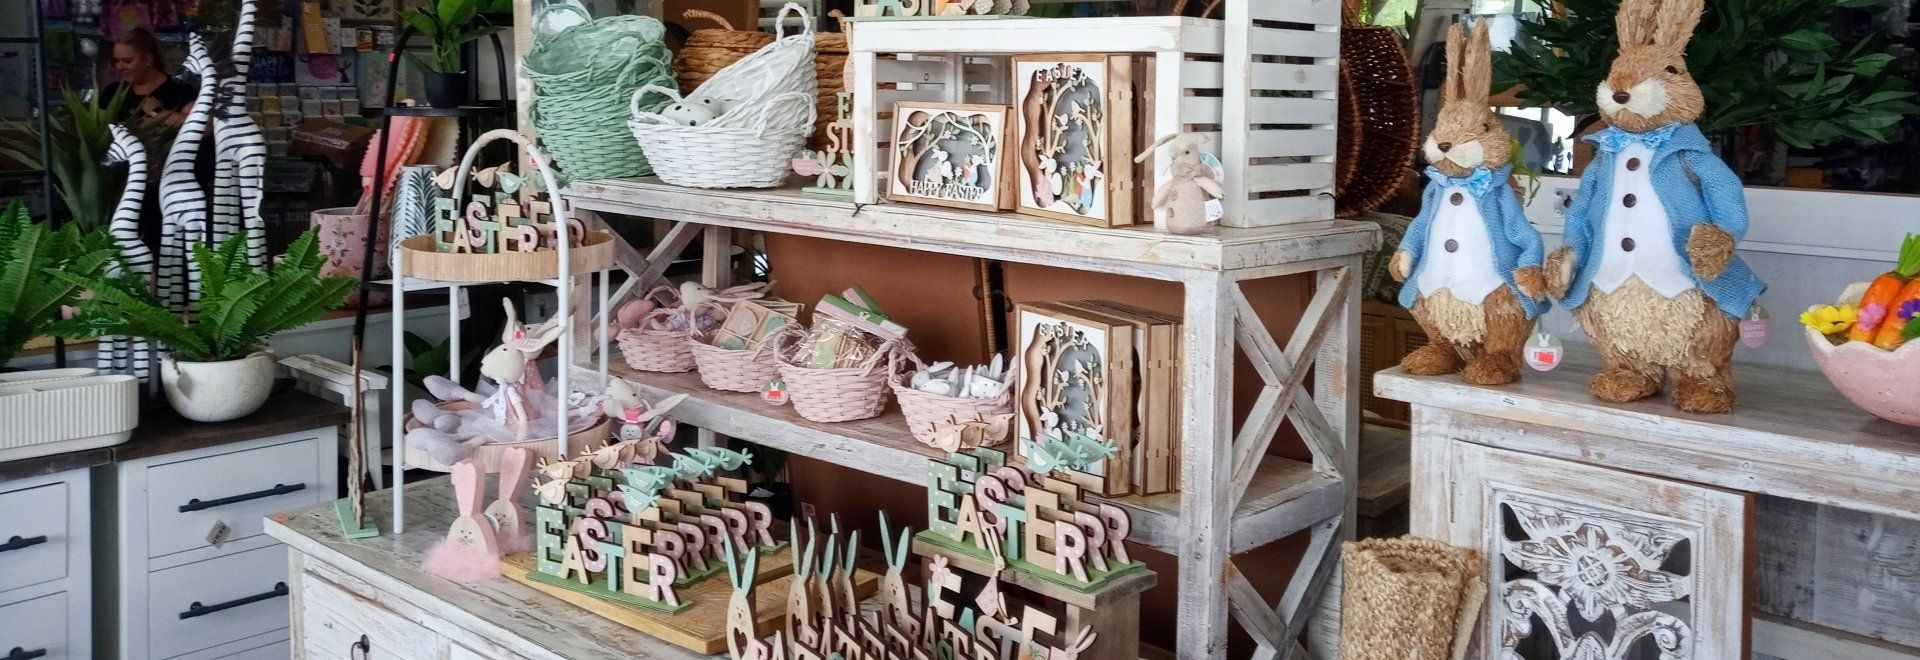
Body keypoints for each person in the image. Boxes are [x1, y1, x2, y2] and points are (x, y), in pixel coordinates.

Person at [105, 28, 193, 129]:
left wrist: (157, 112)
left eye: (127, 61)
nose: (119, 67)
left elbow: (200, 127)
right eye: (116, 61)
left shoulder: (181, 92)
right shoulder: (112, 92)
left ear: (148, 58)